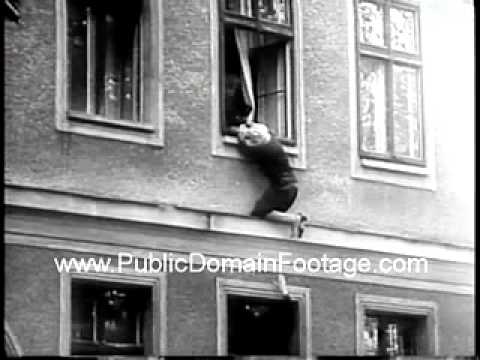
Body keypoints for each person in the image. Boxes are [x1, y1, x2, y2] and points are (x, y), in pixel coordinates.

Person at [231, 122, 308, 238]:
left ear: (257, 141)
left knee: (259, 212)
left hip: (281, 189)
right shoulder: (272, 142)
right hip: (289, 187)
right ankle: (294, 223)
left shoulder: (264, 150)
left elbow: (245, 148)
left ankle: (295, 219)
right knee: (266, 212)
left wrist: (241, 133)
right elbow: (268, 132)